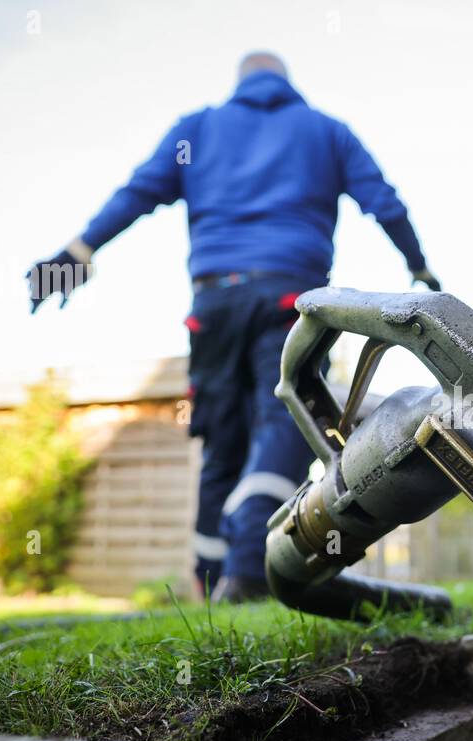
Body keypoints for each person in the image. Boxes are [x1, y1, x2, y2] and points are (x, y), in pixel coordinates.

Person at [27, 52, 438, 602]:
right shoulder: (325, 132)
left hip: (214, 302)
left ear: (239, 83)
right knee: (282, 421)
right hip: (291, 300)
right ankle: (247, 571)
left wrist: (75, 253)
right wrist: (418, 266)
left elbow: (138, 193)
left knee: (220, 443)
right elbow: (383, 202)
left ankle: (213, 576)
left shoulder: (198, 129)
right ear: (288, 83)